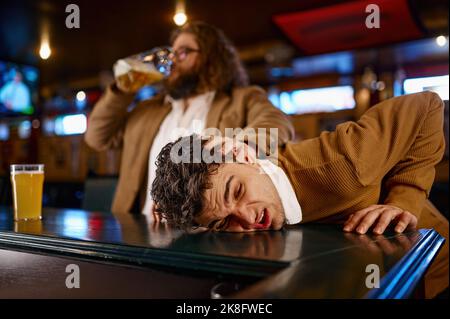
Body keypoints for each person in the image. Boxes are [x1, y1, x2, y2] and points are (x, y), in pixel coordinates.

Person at [151, 91, 448, 298]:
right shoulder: (234, 203)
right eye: (223, 222)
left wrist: (404, 199)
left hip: (434, 270)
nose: (246, 218)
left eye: (237, 191)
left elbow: (427, 106)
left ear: (246, 158)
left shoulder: (346, 163)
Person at [84, 21, 294, 216]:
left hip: (208, 231)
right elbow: (97, 138)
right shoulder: (147, 110)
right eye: (172, 54)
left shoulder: (242, 98)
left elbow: (276, 122)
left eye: (183, 53)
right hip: (142, 227)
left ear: (211, 57)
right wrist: (122, 90)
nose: (173, 60)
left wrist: (242, 148)